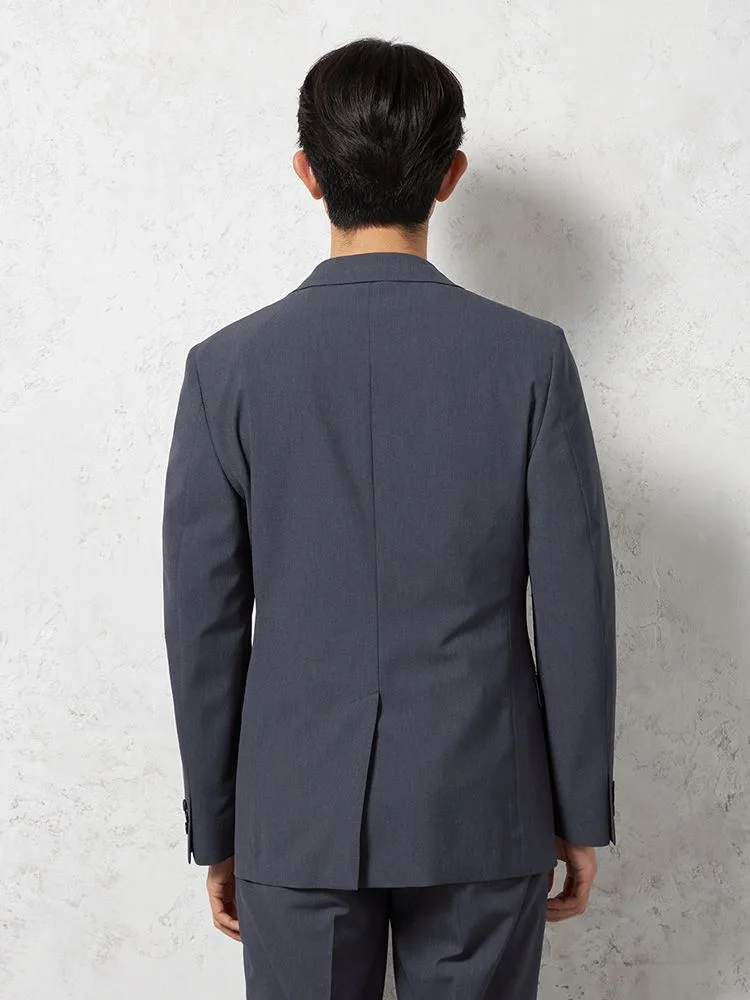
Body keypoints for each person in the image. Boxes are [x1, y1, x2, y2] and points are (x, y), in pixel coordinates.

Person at [161, 35, 617, 1000]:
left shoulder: (226, 371)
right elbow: (576, 609)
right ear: (450, 176)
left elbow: (203, 628)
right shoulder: (531, 360)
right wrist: (579, 813)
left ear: (307, 173)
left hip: (293, 817)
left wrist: (220, 825)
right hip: (482, 808)